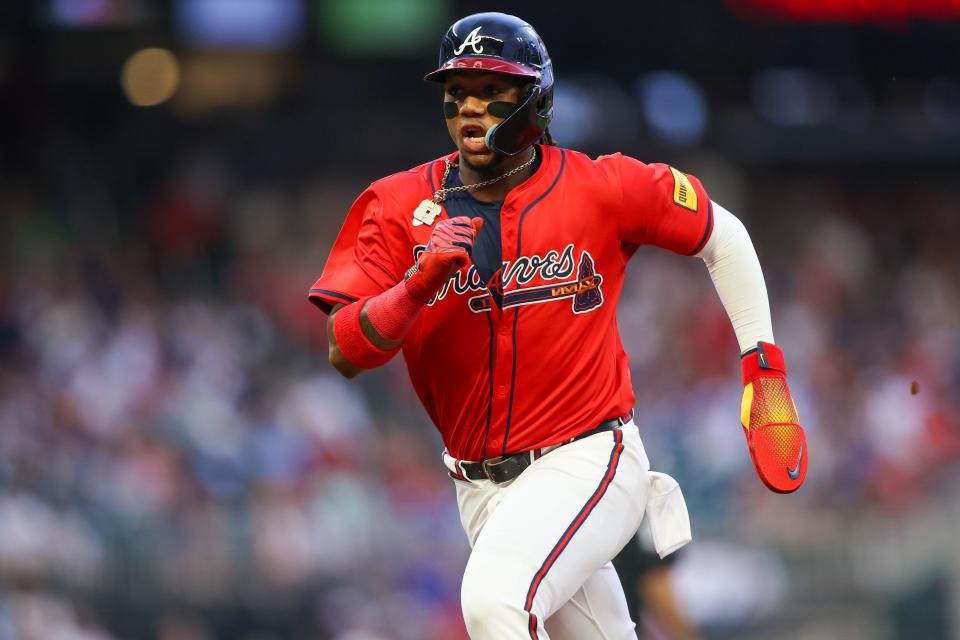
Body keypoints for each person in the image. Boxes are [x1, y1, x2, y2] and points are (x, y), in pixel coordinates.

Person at [307, 12, 808, 640]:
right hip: (479, 487)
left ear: (536, 99)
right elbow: (346, 349)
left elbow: (722, 234)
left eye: (493, 92)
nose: (471, 107)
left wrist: (763, 364)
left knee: (494, 603)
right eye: (459, 90)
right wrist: (413, 288)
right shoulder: (398, 203)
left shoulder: (601, 187)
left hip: (589, 458)